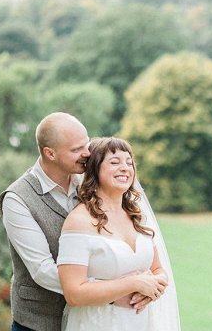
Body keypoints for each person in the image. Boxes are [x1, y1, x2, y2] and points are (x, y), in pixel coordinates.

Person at [0, 112, 178, 331]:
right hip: (39, 321)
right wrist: (115, 293)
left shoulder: (91, 178)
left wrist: (148, 288)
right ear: (50, 153)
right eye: (76, 149)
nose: (87, 153)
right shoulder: (17, 199)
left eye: (85, 144)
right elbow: (43, 270)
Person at [57, 137, 181, 331]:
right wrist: (134, 283)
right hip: (98, 324)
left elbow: (158, 269)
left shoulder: (136, 216)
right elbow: (74, 293)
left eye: (129, 163)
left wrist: (153, 289)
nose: (125, 168)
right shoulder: (79, 221)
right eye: (114, 162)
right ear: (94, 170)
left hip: (140, 322)